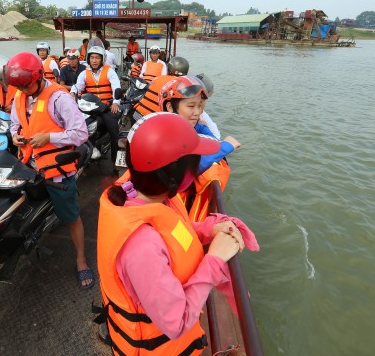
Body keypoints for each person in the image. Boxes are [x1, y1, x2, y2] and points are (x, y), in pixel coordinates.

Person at [96, 113, 258, 355]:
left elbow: (172, 232)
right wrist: (214, 260)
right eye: (194, 166)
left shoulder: (140, 197)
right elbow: (177, 322)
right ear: (174, 178)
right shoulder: (141, 245)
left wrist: (207, 230)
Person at [5, 52, 94, 289]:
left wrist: (49, 137)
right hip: (28, 163)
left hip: (56, 168)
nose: (22, 90)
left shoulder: (59, 98)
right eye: (18, 86)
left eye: (25, 85)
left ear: (38, 76)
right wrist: (15, 136)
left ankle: (81, 259)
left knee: (71, 217)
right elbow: (15, 123)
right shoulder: (19, 96)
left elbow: (80, 134)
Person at [160, 76, 241, 221]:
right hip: (166, 207)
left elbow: (213, 142)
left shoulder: (182, 126)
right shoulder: (168, 135)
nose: (197, 112)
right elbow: (190, 168)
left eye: (200, 107)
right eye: (191, 106)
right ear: (170, 107)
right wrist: (227, 146)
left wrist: (199, 125)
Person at [133, 56, 221, 139]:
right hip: (155, 125)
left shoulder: (159, 78)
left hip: (138, 116)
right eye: (191, 106)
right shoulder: (181, 87)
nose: (197, 111)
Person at [70, 46, 122, 174]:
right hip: (89, 108)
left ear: (102, 59)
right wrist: (72, 93)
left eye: (97, 58)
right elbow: (77, 86)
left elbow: (116, 86)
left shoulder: (110, 71)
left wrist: (115, 102)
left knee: (114, 134)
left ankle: (116, 163)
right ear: (88, 59)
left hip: (106, 107)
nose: (94, 60)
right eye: (92, 57)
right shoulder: (84, 73)